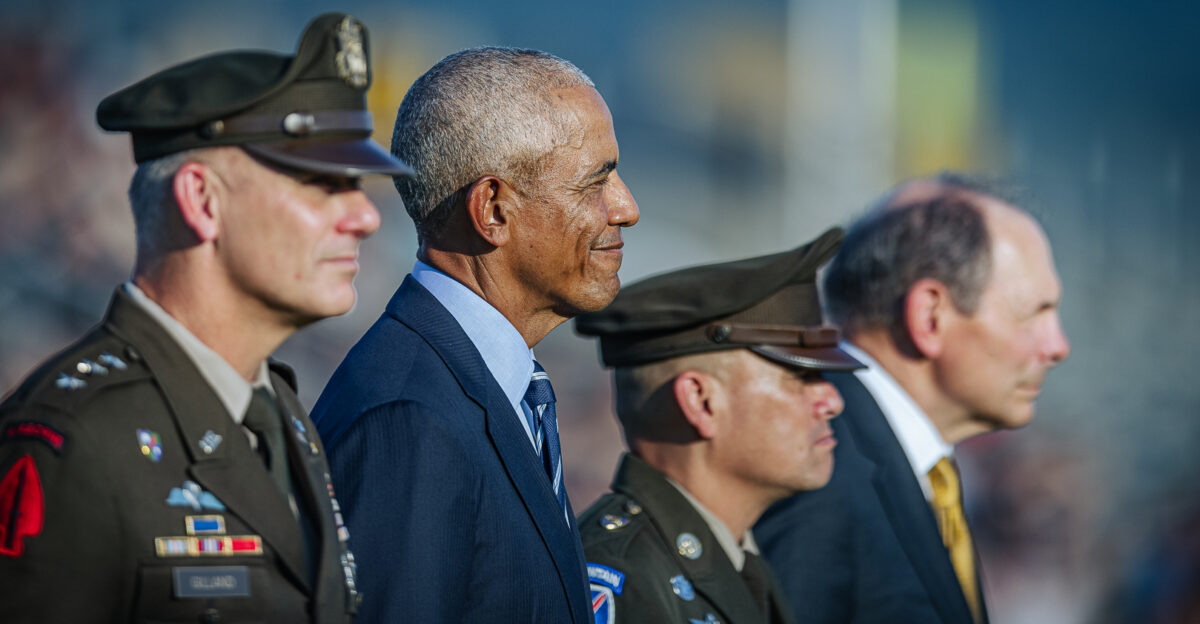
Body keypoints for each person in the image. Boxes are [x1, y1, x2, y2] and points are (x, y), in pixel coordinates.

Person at [0, 13, 411, 623]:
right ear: (202, 200)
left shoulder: (281, 417)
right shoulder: (75, 438)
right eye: (323, 183)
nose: (366, 216)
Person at [310, 46, 639, 623]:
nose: (626, 208)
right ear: (493, 210)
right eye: (595, 182)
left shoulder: (474, 384)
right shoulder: (410, 418)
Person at [755, 173, 1072, 624]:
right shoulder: (816, 470)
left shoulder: (900, 462)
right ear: (930, 316)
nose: (1058, 346)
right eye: (1032, 313)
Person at [573, 228, 861, 624]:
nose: (832, 401)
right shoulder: (623, 579)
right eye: (799, 377)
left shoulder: (736, 559)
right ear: (701, 402)